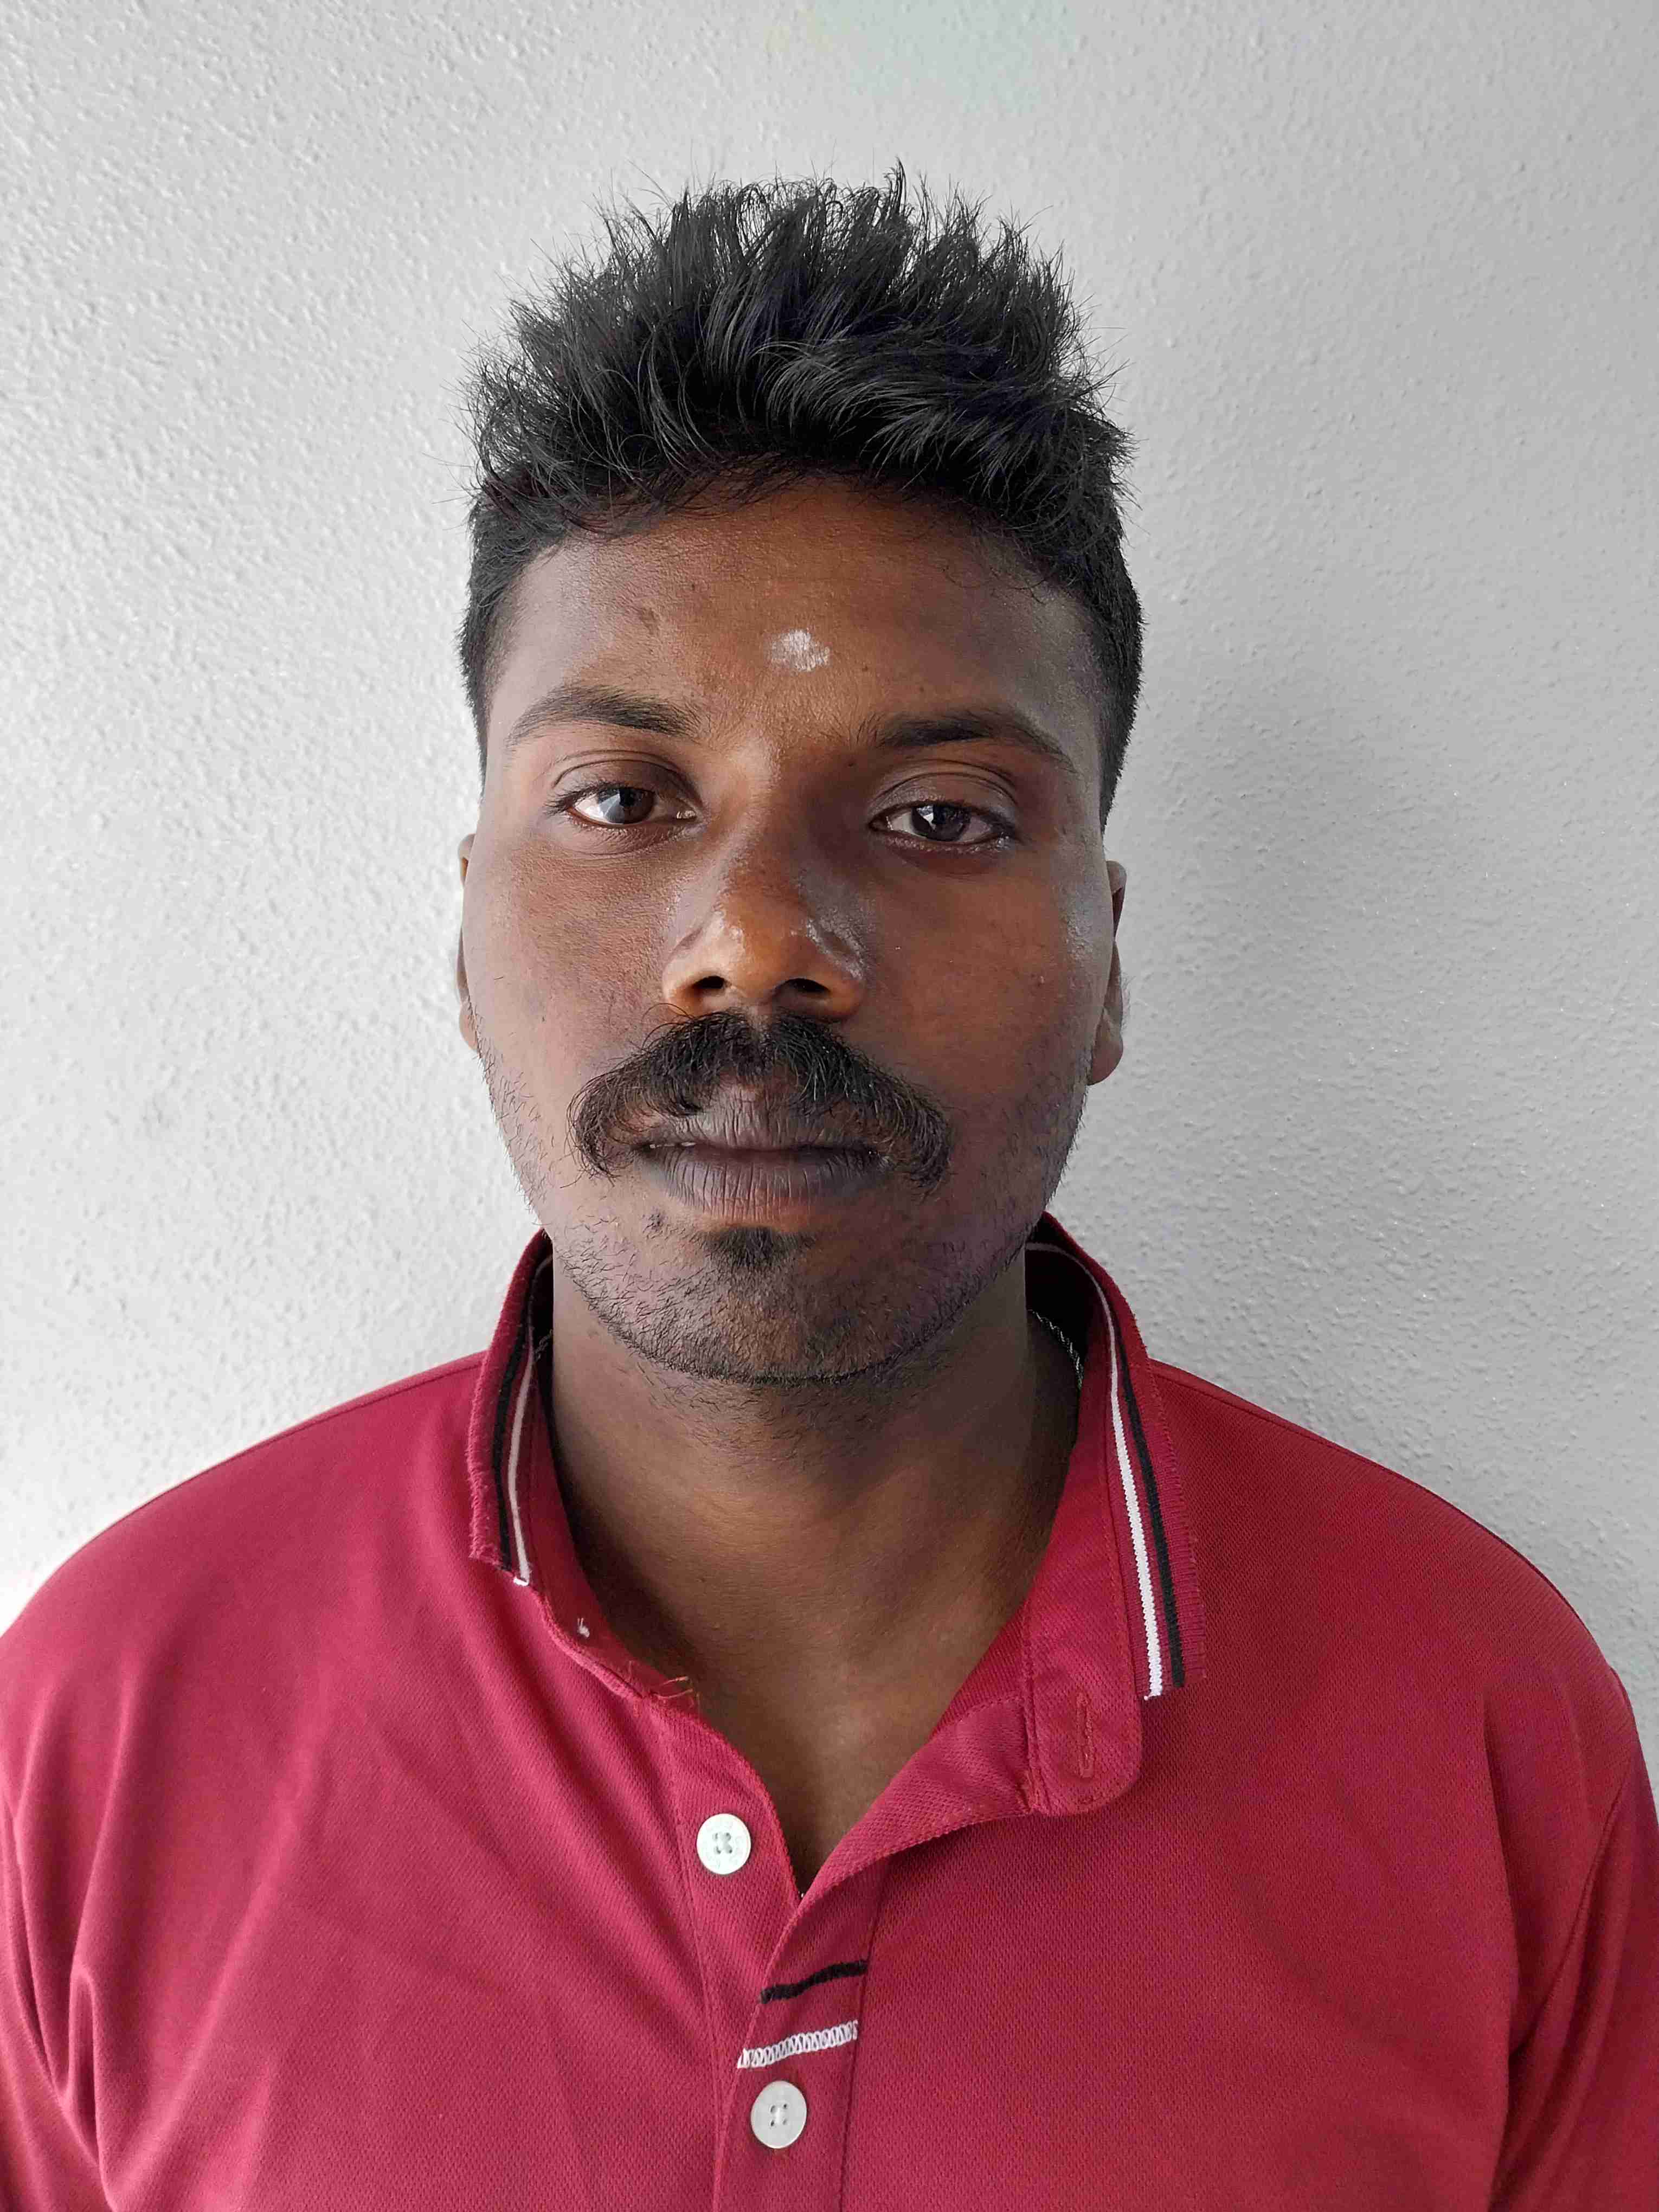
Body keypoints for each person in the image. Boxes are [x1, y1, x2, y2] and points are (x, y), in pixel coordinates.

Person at [2, 168, 1652, 2209]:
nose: (758, 942)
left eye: (939, 814)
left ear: (1108, 961)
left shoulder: (1481, 1728)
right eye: (623, 798)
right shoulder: (107, 1727)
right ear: (464, 935)